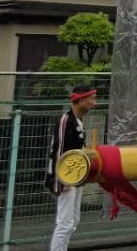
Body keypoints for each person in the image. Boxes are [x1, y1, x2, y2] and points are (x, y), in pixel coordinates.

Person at [45, 83, 97, 251]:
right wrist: (58, 180)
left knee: (73, 222)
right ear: (81, 100)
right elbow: (58, 150)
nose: (94, 103)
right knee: (64, 224)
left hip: (76, 177)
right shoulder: (65, 120)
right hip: (65, 177)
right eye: (91, 99)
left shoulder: (78, 121)